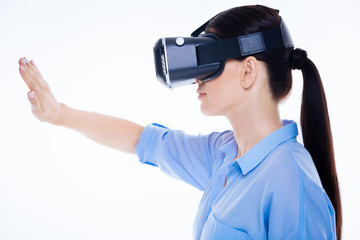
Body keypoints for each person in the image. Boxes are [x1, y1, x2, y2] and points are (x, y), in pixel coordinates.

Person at [18, 5, 341, 240]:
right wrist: (58, 114)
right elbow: (143, 141)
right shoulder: (225, 154)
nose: (197, 78)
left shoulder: (290, 182)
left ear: (248, 71)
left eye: (209, 61)